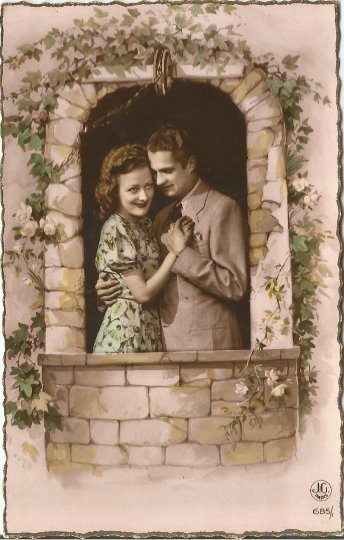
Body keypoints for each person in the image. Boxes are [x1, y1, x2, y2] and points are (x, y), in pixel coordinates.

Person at [97, 129, 248, 351]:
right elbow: (148, 279)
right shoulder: (160, 217)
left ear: (190, 164)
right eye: (155, 172)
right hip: (163, 347)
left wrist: (183, 254)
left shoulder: (223, 209)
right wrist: (109, 289)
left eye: (167, 171)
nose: (158, 181)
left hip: (211, 349)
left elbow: (236, 286)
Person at [93, 143, 193, 353]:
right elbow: (143, 294)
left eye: (148, 186)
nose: (144, 196)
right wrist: (175, 251)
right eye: (133, 189)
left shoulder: (146, 224)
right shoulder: (115, 229)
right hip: (124, 337)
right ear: (114, 191)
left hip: (148, 331)